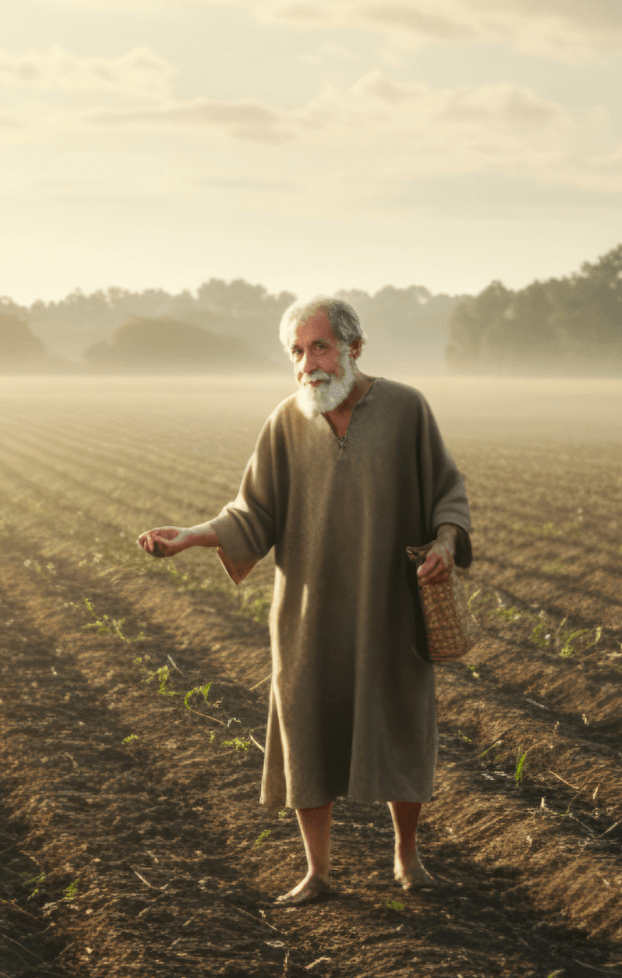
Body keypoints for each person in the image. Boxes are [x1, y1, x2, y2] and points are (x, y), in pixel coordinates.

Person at [137, 296, 471, 905]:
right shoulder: (285, 423)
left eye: (320, 347)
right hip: (307, 613)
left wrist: (447, 543)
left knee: (400, 722)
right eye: (296, 351)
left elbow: (447, 490)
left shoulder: (406, 410)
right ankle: (318, 872)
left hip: (390, 610)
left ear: (354, 348)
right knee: (305, 726)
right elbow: (252, 512)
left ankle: (407, 854)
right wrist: (190, 536)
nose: (308, 363)